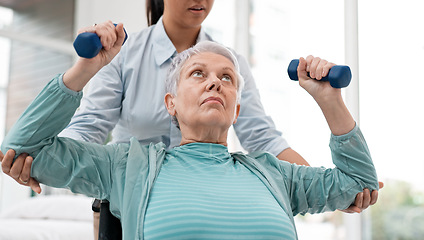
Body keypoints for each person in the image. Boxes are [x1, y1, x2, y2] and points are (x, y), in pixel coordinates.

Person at [0, 0, 380, 238]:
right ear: (171, 103)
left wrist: (327, 187)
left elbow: (265, 139)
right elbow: (77, 131)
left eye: (226, 79)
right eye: (198, 74)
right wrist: (56, 159)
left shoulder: (270, 175)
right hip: (130, 196)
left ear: (237, 106)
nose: (215, 80)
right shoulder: (123, 160)